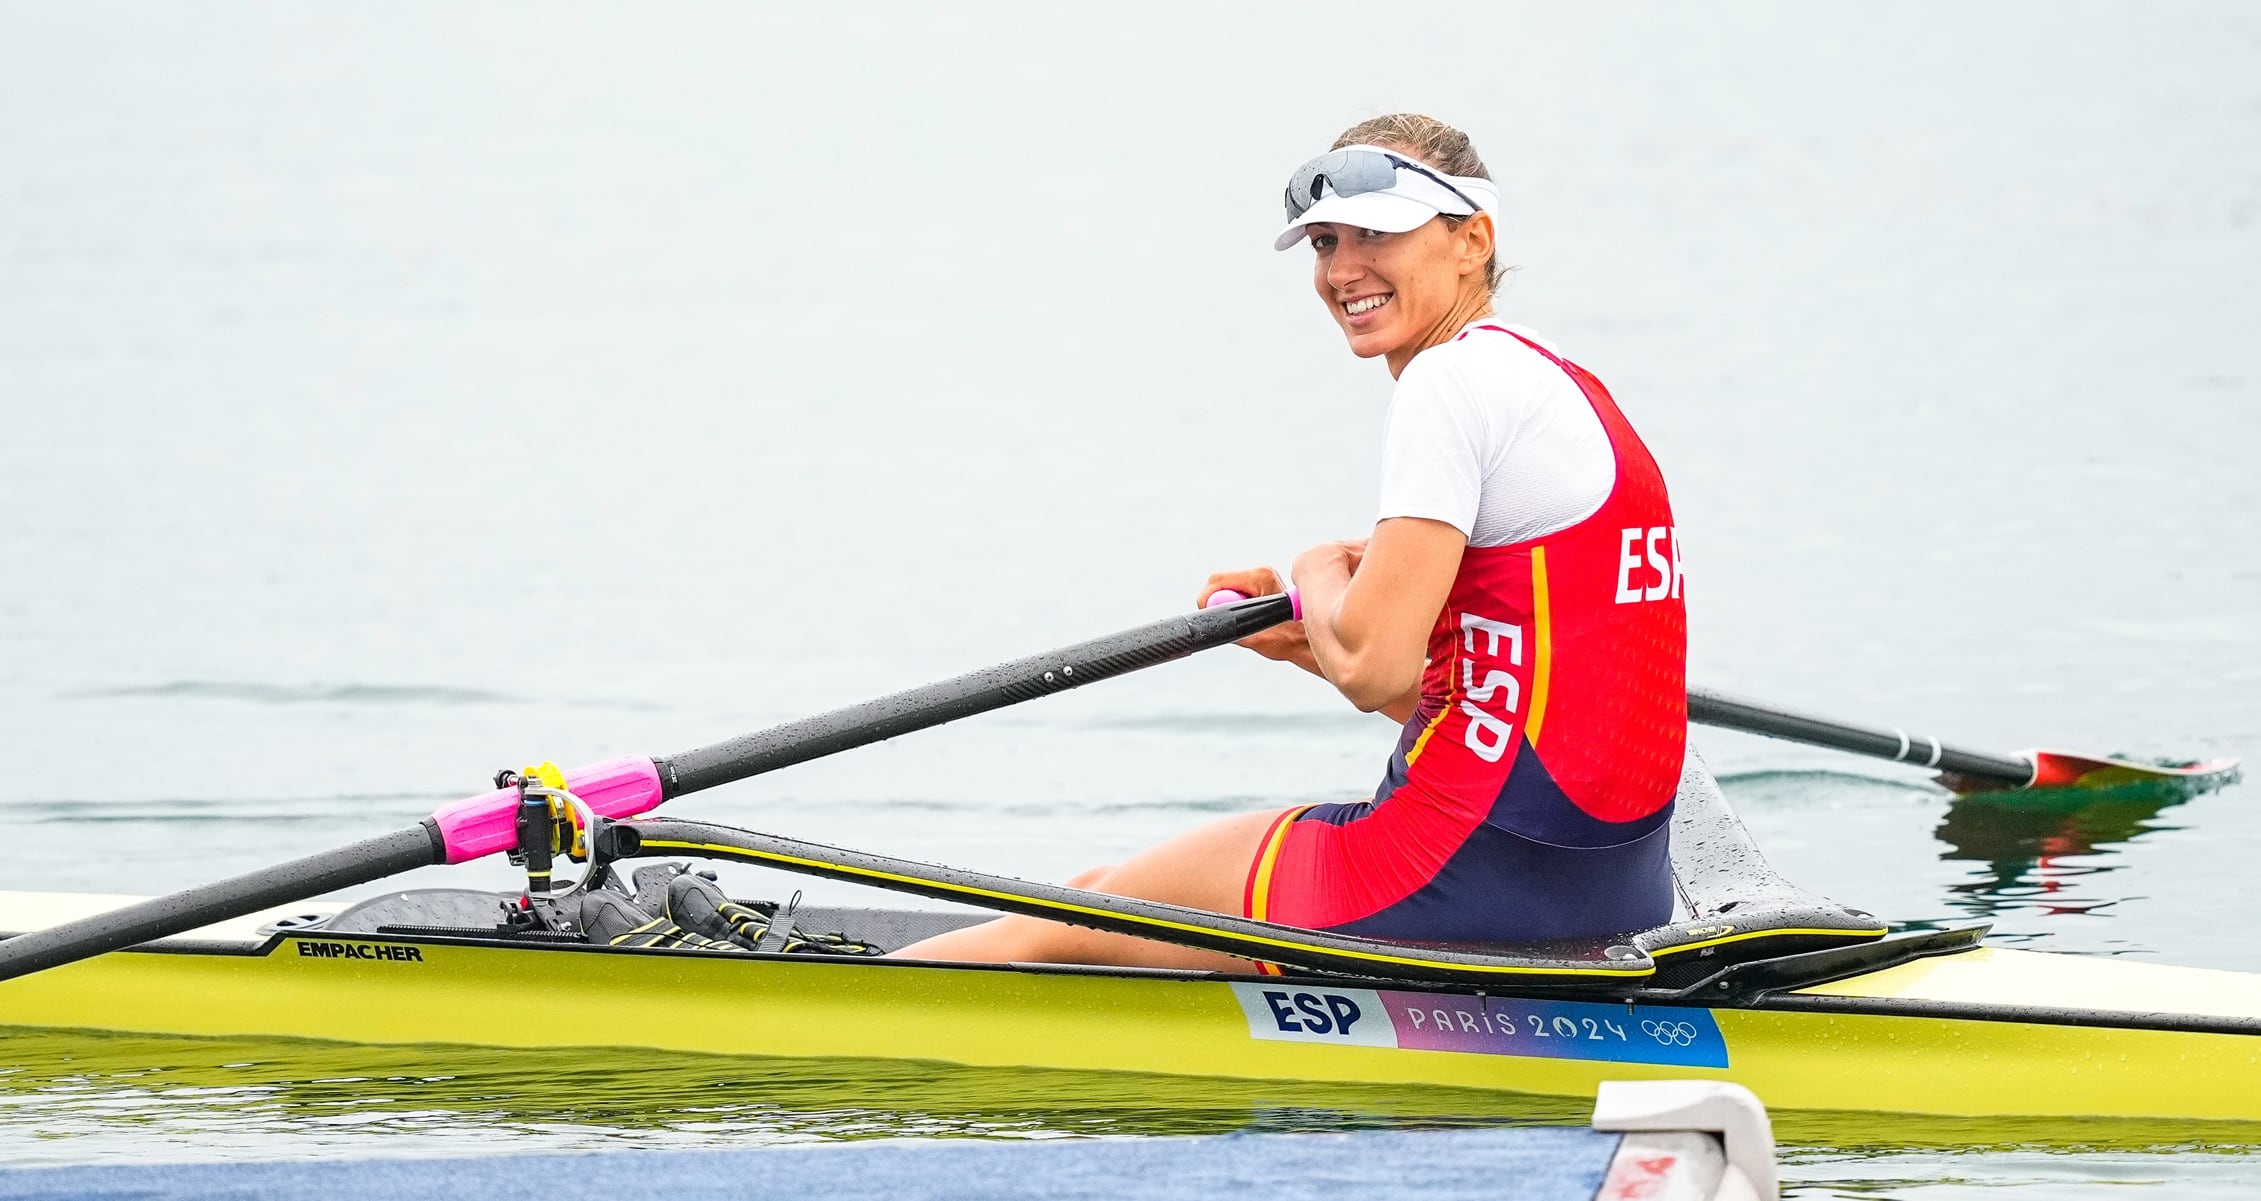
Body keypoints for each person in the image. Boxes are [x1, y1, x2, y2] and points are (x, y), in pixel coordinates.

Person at [892, 113, 1685, 969]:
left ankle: (853, 1009)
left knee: (1057, 923)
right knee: (1107, 896)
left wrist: (1316, 576)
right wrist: (1311, 638)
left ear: (1472, 239)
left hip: (1441, 876)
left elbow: (1374, 670)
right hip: (1606, 890)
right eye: (1323, 243)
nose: (1343, 271)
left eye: (1376, 233)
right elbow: (1500, 703)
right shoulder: (1562, 385)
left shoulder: (1447, 383)